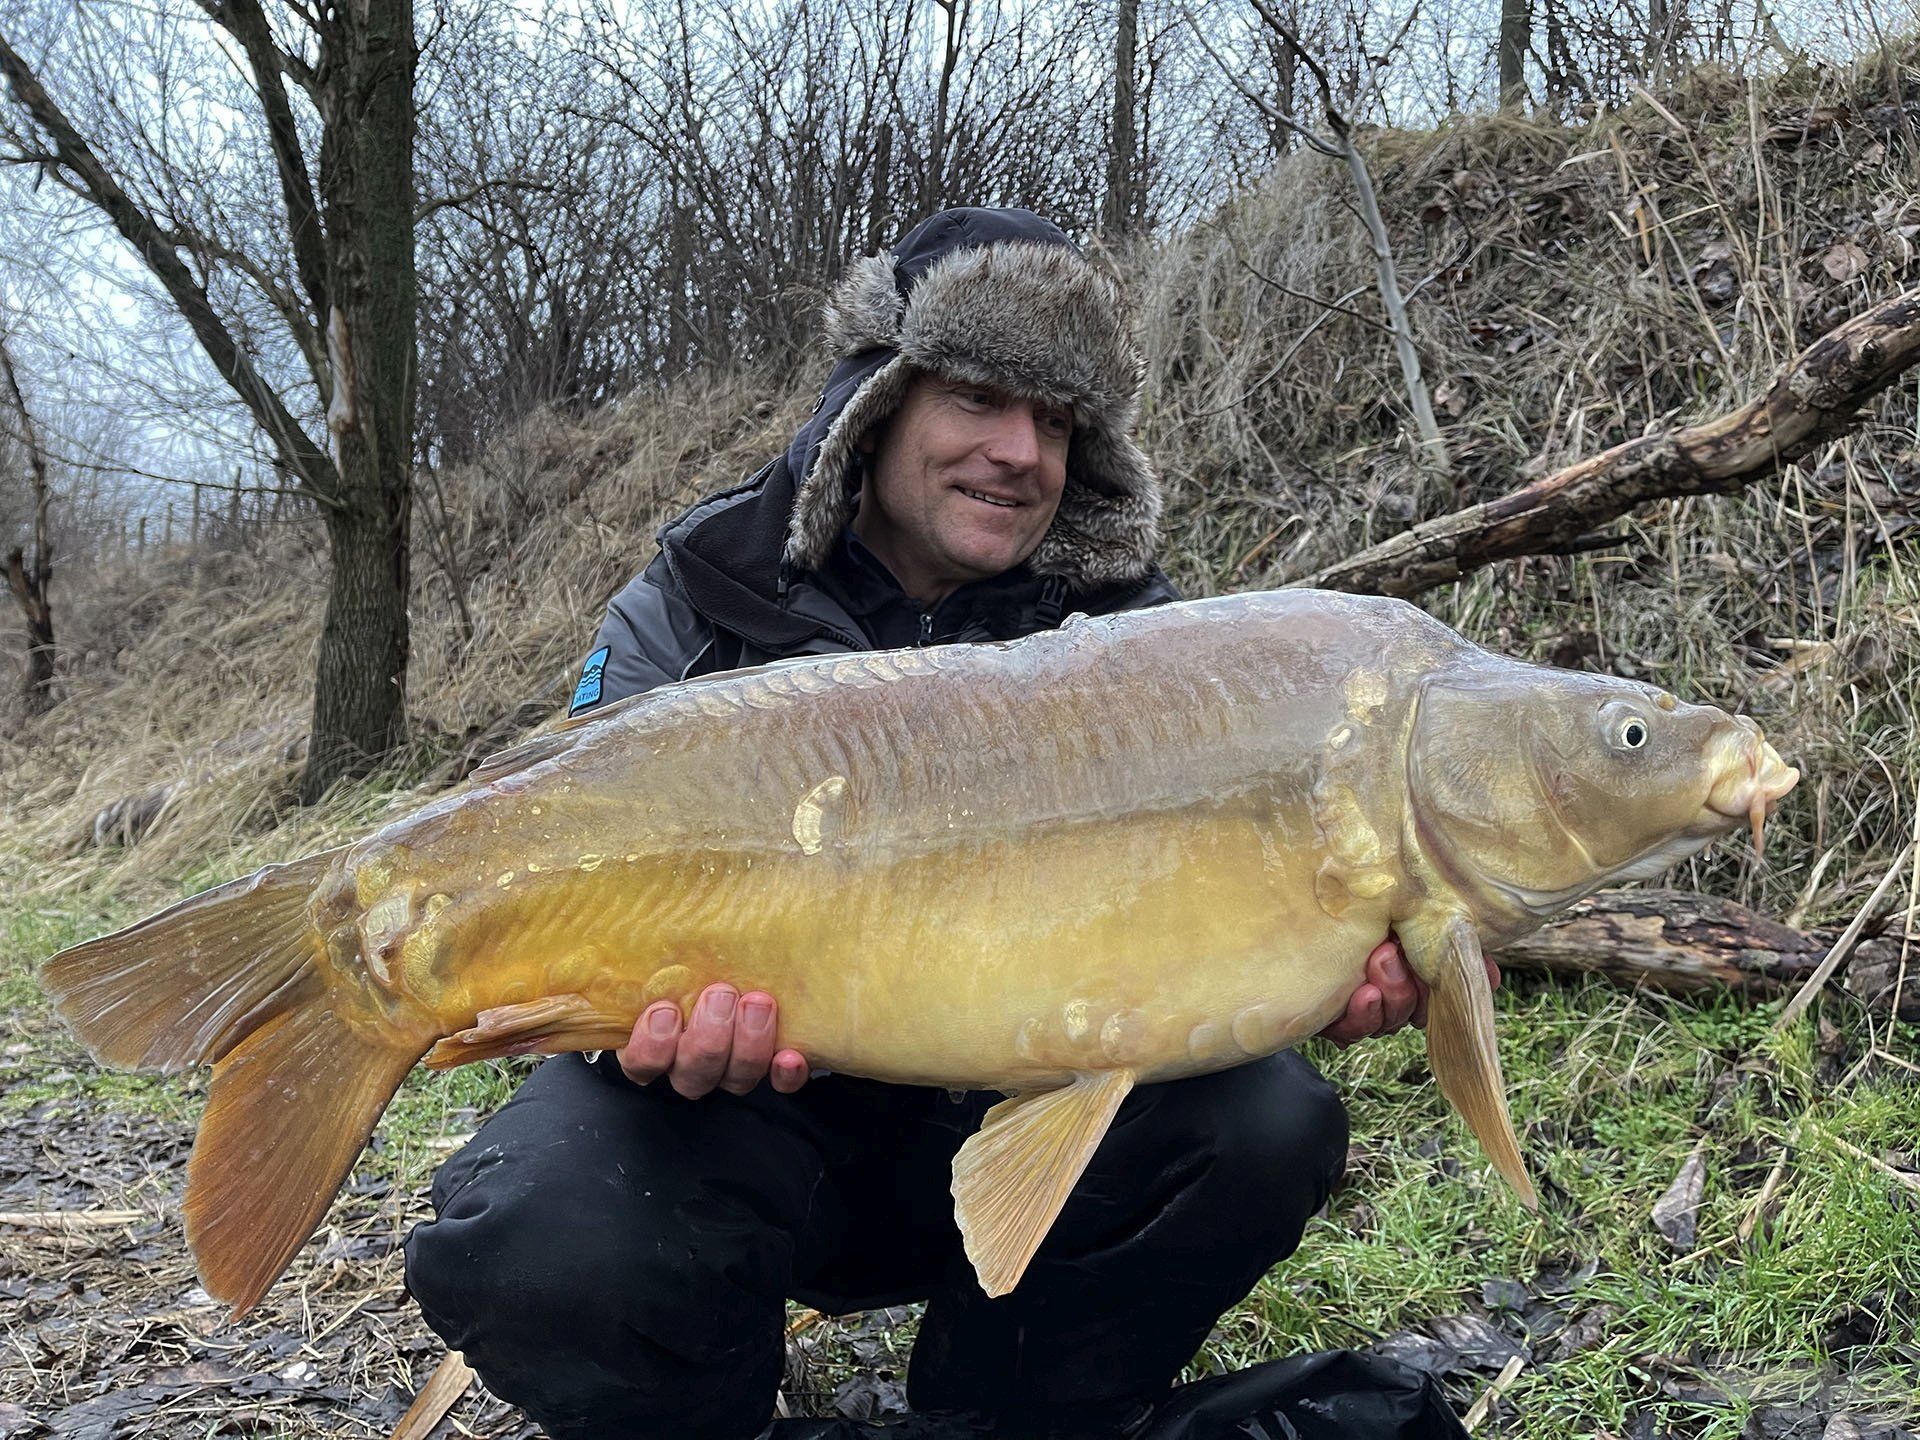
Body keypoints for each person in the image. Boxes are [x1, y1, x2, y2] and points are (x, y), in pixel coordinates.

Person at [403, 208, 1478, 1440]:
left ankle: (1010, 1412)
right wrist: (631, 1032)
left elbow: (1233, 918)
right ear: (879, 403)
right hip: (746, 1132)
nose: (1021, 451)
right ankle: (707, 1413)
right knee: (547, 1228)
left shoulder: (1155, 656)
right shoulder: (699, 601)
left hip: (1003, 1126)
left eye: (1060, 420)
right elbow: (576, 896)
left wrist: (1318, 956)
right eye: (978, 397)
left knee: (1268, 1118)